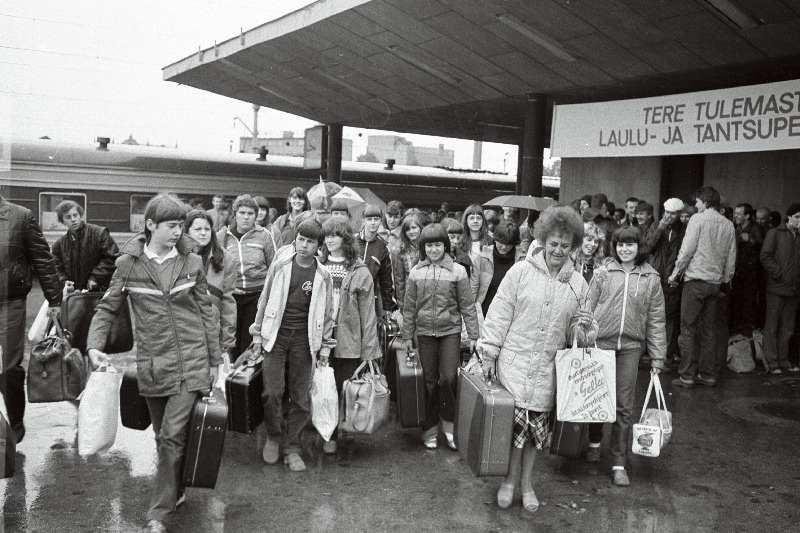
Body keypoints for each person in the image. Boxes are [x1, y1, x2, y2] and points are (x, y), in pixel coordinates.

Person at [86, 194, 222, 533]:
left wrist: (215, 359)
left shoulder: (191, 262)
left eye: (181, 226)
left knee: (172, 436)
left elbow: (206, 310)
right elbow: (106, 308)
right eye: (172, 226)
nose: (179, 232)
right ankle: (175, 489)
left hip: (191, 362)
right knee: (164, 436)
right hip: (152, 364)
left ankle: (158, 514)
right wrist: (94, 346)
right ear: (151, 225)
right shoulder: (128, 266)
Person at [477, 205, 595, 513]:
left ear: (574, 247)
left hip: (547, 371)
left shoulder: (578, 284)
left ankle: (527, 484)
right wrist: (488, 353)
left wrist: (584, 330)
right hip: (514, 366)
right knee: (512, 435)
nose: (558, 250)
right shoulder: (520, 272)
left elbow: (579, 337)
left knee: (533, 438)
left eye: (565, 245)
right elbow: (499, 314)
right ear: (542, 240)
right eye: (553, 243)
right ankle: (508, 483)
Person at [250, 219, 336, 472]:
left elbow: (328, 314)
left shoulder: (323, 275)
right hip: (275, 336)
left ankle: (292, 446)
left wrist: (324, 349)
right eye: (301, 239)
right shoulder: (280, 266)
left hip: (304, 339)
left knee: (300, 397)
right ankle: (274, 436)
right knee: (272, 392)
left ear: (319, 247)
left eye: (310, 242)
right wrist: (257, 336)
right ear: (295, 239)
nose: (304, 245)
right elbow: (263, 301)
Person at [586, 226, 666, 486]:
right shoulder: (602, 272)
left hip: (631, 347)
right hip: (601, 341)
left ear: (639, 246)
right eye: (620, 244)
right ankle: (594, 442)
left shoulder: (651, 278)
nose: (625, 249)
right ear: (615, 247)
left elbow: (656, 319)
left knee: (624, 405)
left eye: (630, 244)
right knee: (596, 399)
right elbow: (587, 309)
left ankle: (618, 463)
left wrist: (657, 357)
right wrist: (583, 339)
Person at [400, 224, 479, 450]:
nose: (434, 250)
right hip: (424, 333)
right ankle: (430, 430)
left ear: (446, 246)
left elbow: (467, 305)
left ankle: (449, 426)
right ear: (423, 248)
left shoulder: (458, 271)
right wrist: (407, 336)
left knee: (449, 379)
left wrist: (474, 335)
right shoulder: (416, 272)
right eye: (429, 246)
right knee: (430, 382)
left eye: (438, 245)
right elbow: (409, 307)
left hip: (450, 333)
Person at [0, 195, 63, 443]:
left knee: (8, 367)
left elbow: (43, 260)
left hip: (9, 302)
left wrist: (55, 300)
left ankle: (15, 421)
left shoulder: (20, 216)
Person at [318, 217, 380, 454]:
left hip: (349, 337)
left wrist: (369, 350)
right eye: (327, 236)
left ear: (346, 239)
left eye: (334, 235)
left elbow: (368, 314)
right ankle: (328, 433)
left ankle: (342, 426)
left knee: (343, 386)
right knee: (324, 387)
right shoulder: (317, 264)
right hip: (321, 335)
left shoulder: (360, 270)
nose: (329, 240)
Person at [668, 187, 736, 388]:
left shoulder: (697, 220)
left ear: (705, 201)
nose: (696, 206)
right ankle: (707, 374)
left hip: (695, 281)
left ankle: (686, 375)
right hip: (715, 284)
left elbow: (686, 251)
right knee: (709, 330)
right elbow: (731, 259)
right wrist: (725, 280)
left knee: (687, 329)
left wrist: (674, 275)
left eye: (697, 202)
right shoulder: (728, 225)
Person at [218, 194, 276, 356]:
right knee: (231, 341)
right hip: (232, 296)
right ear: (235, 214)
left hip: (256, 296)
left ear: (256, 216)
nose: (246, 217)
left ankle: (246, 379)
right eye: (242, 213)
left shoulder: (264, 236)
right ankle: (231, 379)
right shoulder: (222, 237)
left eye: (250, 213)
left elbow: (274, 266)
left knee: (250, 341)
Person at [184, 210, 237, 363]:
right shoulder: (178, 256)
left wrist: (228, 339)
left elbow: (228, 302)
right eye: (197, 229)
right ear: (187, 231)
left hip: (212, 331)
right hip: (185, 328)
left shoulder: (225, 258)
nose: (203, 233)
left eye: (207, 229)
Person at [759, 204, 800, 374]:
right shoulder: (775, 233)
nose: (799, 221)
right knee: (772, 326)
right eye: (797, 217)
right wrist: (779, 273)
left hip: (794, 289)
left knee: (787, 328)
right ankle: (772, 362)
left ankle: (783, 360)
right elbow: (765, 256)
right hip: (777, 288)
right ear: (788, 217)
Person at [646, 198, 686, 370]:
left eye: (673, 214)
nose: (669, 216)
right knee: (652, 315)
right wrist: (661, 227)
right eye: (667, 212)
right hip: (656, 276)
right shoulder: (656, 226)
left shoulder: (683, 229)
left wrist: (676, 276)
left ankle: (665, 356)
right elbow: (647, 247)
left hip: (672, 279)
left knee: (669, 318)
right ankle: (651, 353)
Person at [51, 199, 119, 293]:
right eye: (68, 217)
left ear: (80, 215)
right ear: (62, 221)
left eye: (75, 215)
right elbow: (56, 268)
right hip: (74, 296)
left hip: (99, 292)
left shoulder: (99, 233)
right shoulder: (58, 245)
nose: (73, 219)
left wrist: (96, 277)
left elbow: (113, 257)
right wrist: (64, 281)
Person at [354, 204, 397, 318]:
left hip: (370, 297)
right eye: (369, 219)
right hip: (350, 295)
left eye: (376, 219)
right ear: (364, 221)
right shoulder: (352, 241)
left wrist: (388, 306)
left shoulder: (382, 246)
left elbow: (386, 280)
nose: (373, 223)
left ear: (381, 221)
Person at [731, 203, 765, 333]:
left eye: (739, 214)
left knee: (748, 306)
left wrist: (750, 239)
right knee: (737, 305)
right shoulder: (736, 228)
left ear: (747, 216)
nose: (735, 216)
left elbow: (763, 249)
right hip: (738, 272)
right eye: (735, 213)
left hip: (750, 275)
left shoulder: (756, 229)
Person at [480, 220, 520, 316]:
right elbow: (473, 289)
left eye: (508, 244)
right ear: (495, 239)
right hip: (484, 312)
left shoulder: (522, 260)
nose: (503, 247)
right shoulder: (483, 258)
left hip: (508, 313)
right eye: (500, 242)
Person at [392, 213, 425, 314]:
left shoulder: (427, 247)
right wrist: (401, 304)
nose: (411, 232)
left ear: (420, 228)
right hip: (409, 294)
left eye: (414, 228)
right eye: (408, 229)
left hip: (426, 294)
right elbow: (399, 279)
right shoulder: (399, 251)